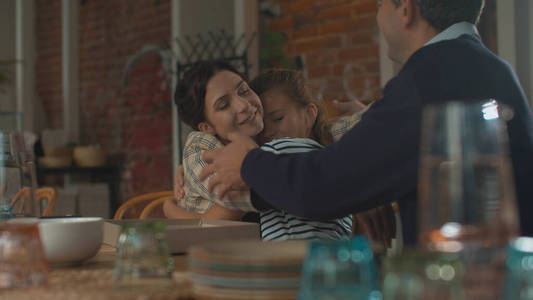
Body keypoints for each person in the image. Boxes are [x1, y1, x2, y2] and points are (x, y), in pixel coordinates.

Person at [198, 0, 533, 245]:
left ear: (405, 8)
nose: (378, 16)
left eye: (380, 4)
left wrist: (248, 162)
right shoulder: (490, 68)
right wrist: (369, 190)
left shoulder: (428, 79)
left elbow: (321, 185)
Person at [164, 62, 355, 240]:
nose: (244, 105)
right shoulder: (200, 148)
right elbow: (250, 192)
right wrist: (169, 207)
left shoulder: (265, 136)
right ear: (206, 127)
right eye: (223, 105)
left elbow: (337, 132)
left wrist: (365, 114)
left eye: (244, 91)